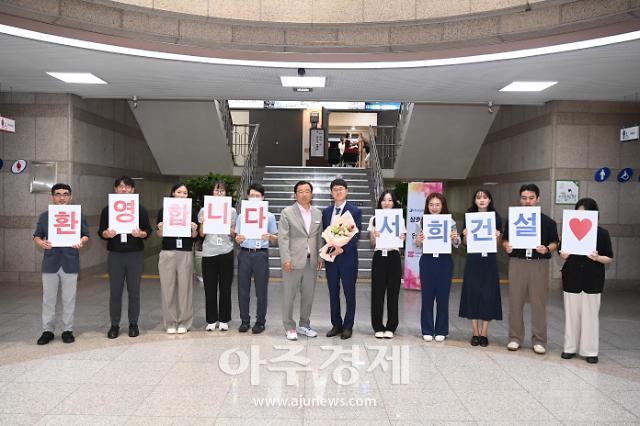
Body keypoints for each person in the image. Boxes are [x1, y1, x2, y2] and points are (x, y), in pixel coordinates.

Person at [502, 183, 559, 354]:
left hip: (538, 264)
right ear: (520, 200)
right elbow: (505, 240)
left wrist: (547, 249)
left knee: (538, 303)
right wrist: (506, 246)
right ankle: (515, 338)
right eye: (524, 198)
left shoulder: (548, 222)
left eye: (531, 198)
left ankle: (539, 340)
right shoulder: (513, 219)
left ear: (538, 199)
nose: (527, 202)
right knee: (515, 301)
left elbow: (555, 242)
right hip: (517, 262)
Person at [33, 183, 90, 345]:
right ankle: (47, 330)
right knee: (48, 299)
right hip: (50, 262)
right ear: (53, 197)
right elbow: (37, 235)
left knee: (69, 298)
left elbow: (86, 235)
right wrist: (40, 243)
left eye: (65, 194)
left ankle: (67, 330)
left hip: (70, 261)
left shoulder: (78, 215)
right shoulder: (45, 216)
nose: (62, 197)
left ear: (70, 197)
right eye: (58, 194)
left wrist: (81, 241)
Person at [559, 198, 613, 364]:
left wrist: (597, 258)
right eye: (579, 212)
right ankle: (570, 348)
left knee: (591, 316)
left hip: (593, 280)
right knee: (571, 316)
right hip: (572, 278)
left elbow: (609, 258)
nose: (582, 216)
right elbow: (562, 254)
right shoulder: (568, 230)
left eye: (586, 212)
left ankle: (590, 351)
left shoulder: (602, 233)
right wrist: (564, 253)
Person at [98, 176, 152, 339]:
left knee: (134, 291)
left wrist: (141, 234)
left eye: (127, 187)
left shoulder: (140, 209)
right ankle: (114, 325)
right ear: (115, 190)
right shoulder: (107, 210)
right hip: (115, 255)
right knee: (115, 292)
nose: (124, 189)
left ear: (133, 190)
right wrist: (105, 233)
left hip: (135, 254)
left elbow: (147, 230)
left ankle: (133, 324)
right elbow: (101, 231)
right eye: (120, 187)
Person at [278, 180, 324, 340]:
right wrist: (286, 259)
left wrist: (320, 258)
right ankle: (289, 326)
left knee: (308, 296)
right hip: (292, 261)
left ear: (312, 194)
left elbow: (319, 237)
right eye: (300, 191)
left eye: (307, 191)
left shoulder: (318, 213)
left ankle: (304, 325)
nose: (304, 194)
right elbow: (282, 238)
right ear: (295, 194)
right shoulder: (287, 212)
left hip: (311, 262)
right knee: (289, 295)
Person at [459, 188, 503, 347]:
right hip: (473, 260)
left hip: (489, 260)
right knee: (472, 293)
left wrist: (498, 236)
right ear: (475, 201)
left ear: (490, 200)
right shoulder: (469, 216)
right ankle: (475, 333)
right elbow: (464, 243)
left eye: (485, 197)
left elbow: (498, 244)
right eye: (478, 197)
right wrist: (465, 235)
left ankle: (484, 333)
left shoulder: (495, 217)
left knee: (488, 295)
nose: (482, 200)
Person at [415, 192, 460, 342]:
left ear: (443, 206)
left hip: (444, 261)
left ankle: (441, 330)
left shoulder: (450, 221)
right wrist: (418, 240)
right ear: (427, 206)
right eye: (431, 204)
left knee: (443, 297)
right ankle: (427, 329)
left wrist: (456, 238)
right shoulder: (422, 222)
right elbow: (416, 245)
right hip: (427, 261)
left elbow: (457, 243)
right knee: (427, 297)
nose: (434, 208)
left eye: (437, 205)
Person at [235, 183, 278, 334]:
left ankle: (260, 322)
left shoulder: (270, 216)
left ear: (263, 197)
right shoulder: (241, 216)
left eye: (257, 196)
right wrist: (238, 239)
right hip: (245, 253)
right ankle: (244, 321)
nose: (254, 198)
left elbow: (275, 239)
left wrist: (270, 236)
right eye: (252, 195)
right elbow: (237, 237)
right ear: (247, 197)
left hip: (261, 254)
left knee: (261, 290)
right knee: (243, 289)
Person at [322, 178, 362, 340]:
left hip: (348, 258)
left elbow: (355, 235)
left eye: (341, 189)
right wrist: (330, 250)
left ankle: (348, 326)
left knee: (349, 292)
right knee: (333, 292)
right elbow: (325, 235)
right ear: (331, 193)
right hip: (331, 257)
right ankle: (336, 324)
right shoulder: (326, 212)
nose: (338, 191)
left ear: (347, 191)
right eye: (335, 189)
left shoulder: (355, 210)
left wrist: (342, 248)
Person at [156, 182, 198, 334]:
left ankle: (184, 322)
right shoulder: (164, 210)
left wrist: (194, 229)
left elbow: (194, 237)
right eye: (179, 192)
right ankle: (170, 322)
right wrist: (161, 228)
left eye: (185, 193)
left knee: (185, 288)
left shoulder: (191, 211)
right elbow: (159, 234)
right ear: (173, 193)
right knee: (168, 288)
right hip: (168, 252)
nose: (182, 195)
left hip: (185, 252)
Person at [198, 180, 237, 332]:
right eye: (216, 190)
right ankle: (211, 319)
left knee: (225, 287)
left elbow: (234, 233)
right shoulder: (204, 210)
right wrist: (203, 223)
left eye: (222, 191)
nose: (219, 193)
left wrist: (229, 227)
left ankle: (224, 319)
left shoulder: (232, 211)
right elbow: (201, 234)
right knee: (210, 287)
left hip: (226, 251)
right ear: (212, 192)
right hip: (209, 252)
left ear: (226, 193)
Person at [368, 190, 406, 339]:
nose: (387, 203)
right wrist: (374, 235)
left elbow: (401, 240)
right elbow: (372, 242)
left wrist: (402, 237)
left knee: (393, 293)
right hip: (379, 256)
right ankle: (377, 326)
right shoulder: (374, 219)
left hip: (394, 256)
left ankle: (391, 326)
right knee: (377, 293)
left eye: (390, 200)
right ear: (380, 202)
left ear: (394, 202)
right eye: (384, 200)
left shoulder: (399, 219)